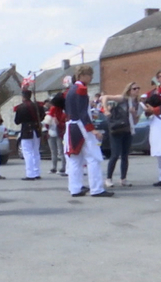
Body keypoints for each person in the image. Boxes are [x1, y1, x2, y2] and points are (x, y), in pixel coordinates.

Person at [64, 65, 113, 198]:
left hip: (72, 126)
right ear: (83, 75)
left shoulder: (71, 90)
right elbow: (83, 114)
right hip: (81, 126)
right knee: (94, 158)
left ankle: (75, 188)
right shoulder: (81, 89)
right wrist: (93, 130)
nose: (91, 77)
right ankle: (96, 189)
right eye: (89, 75)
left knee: (75, 159)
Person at [102, 82, 140, 187]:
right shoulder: (122, 98)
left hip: (128, 130)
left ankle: (123, 178)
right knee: (115, 155)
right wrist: (105, 109)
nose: (136, 90)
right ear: (129, 90)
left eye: (138, 88)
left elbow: (135, 121)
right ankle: (108, 178)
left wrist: (133, 113)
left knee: (125, 155)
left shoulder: (136, 103)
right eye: (134, 88)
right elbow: (105, 97)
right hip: (117, 129)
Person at [14, 89, 44, 180]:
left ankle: (30, 174)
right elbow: (42, 117)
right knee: (36, 152)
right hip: (36, 129)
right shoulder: (38, 106)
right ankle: (36, 172)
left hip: (26, 130)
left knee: (27, 153)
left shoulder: (21, 107)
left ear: (23, 96)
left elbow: (17, 121)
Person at [43, 93, 67, 176]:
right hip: (55, 131)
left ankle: (59, 167)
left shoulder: (60, 111)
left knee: (57, 151)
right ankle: (57, 167)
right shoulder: (59, 111)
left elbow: (47, 122)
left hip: (56, 132)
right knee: (57, 151)